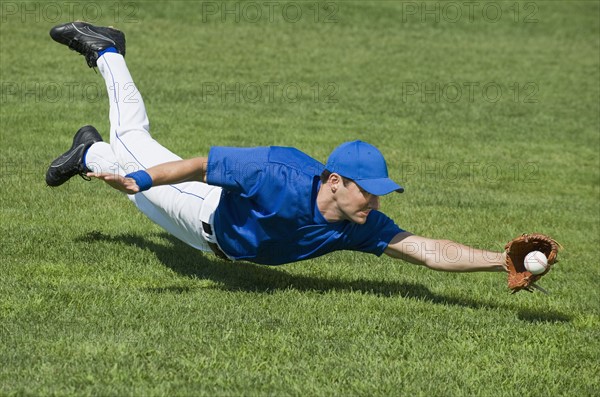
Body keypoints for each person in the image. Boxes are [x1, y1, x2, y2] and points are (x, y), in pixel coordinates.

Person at [47, 22, 507, 272]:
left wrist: (501, 260)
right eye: (365, 190)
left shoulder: (358, 225)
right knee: (133, 144)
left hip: (212, 247)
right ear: (334, 181)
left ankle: (87, 151)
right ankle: (107, 51)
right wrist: (142, 176)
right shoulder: (275, 170)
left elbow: (430, 251)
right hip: (201, 209)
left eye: (377, 191)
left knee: (130, 187)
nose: (373, 199)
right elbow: (199, 167)